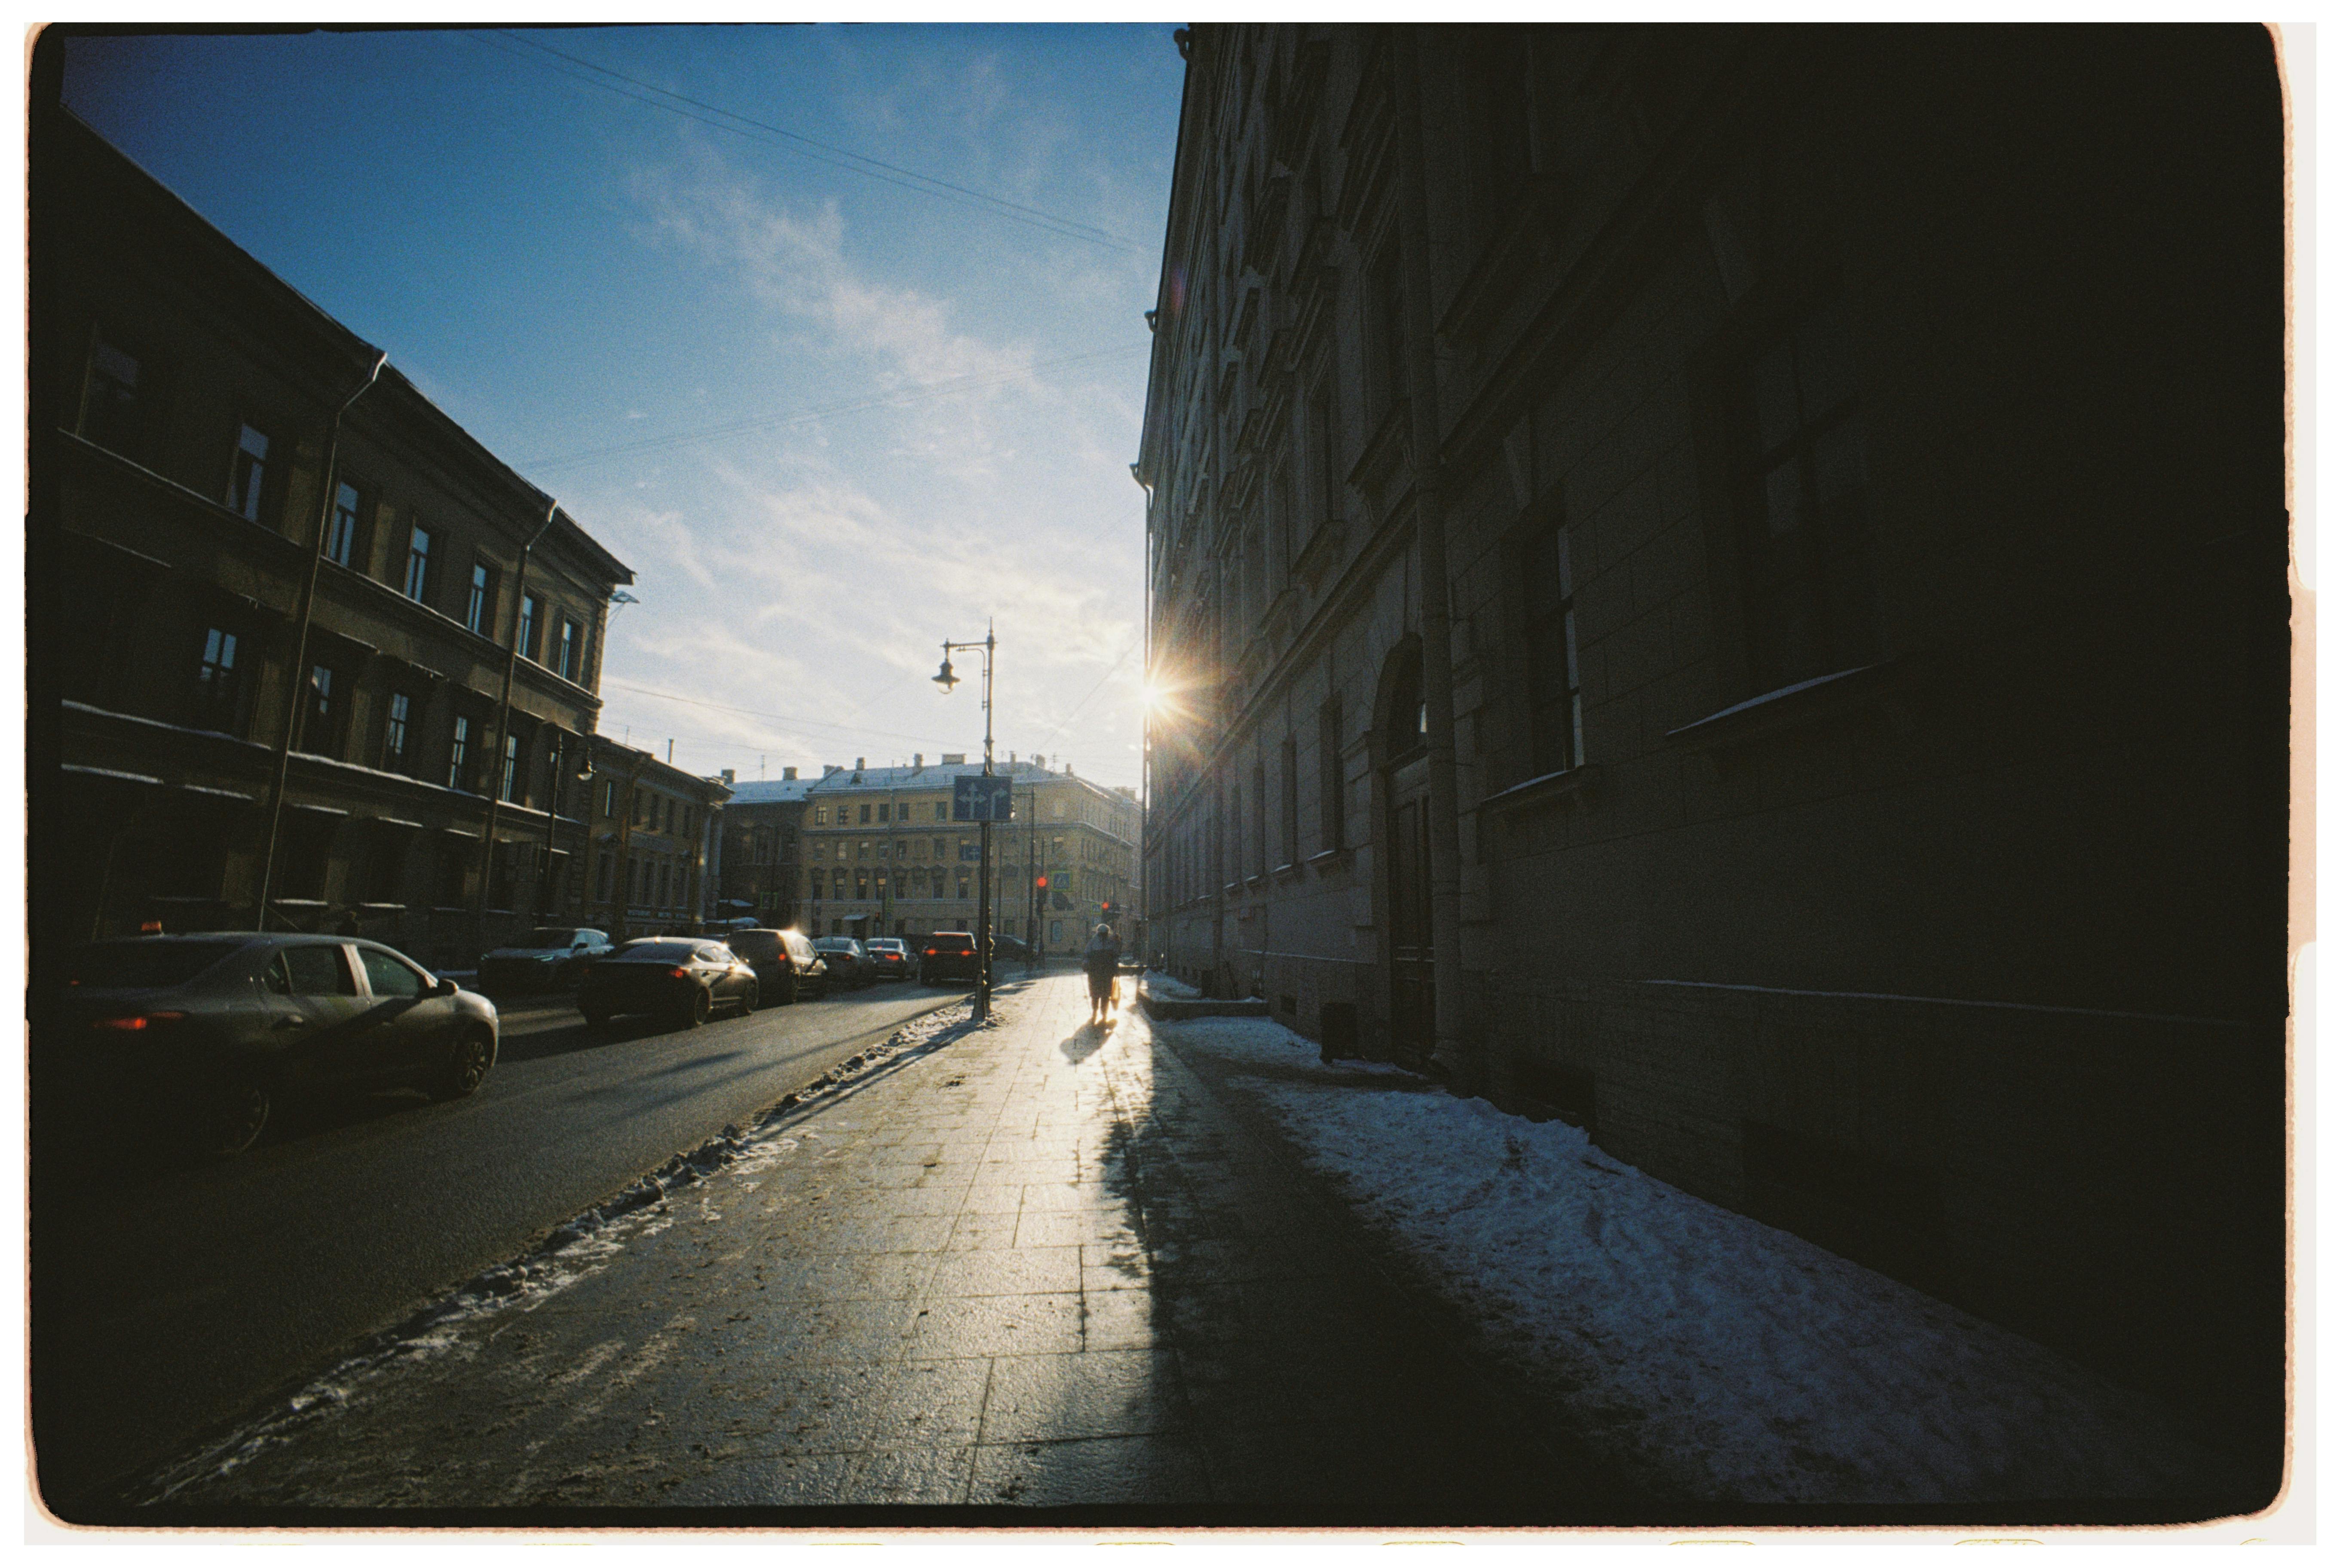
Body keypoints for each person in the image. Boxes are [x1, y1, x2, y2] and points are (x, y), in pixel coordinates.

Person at [1081, 923, 1121, 1024]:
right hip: (1099, 973)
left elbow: (1116, 956)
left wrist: (1116, 967)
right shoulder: (1095, 943)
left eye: (1105, 934)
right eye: (1103, 934)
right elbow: (1087, 956)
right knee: (1098, 995)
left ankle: (1103, 1013)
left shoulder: (1107, 943)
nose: (1104, 935)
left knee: (1103, 995)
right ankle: (1097, 1012)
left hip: (1103, 973)